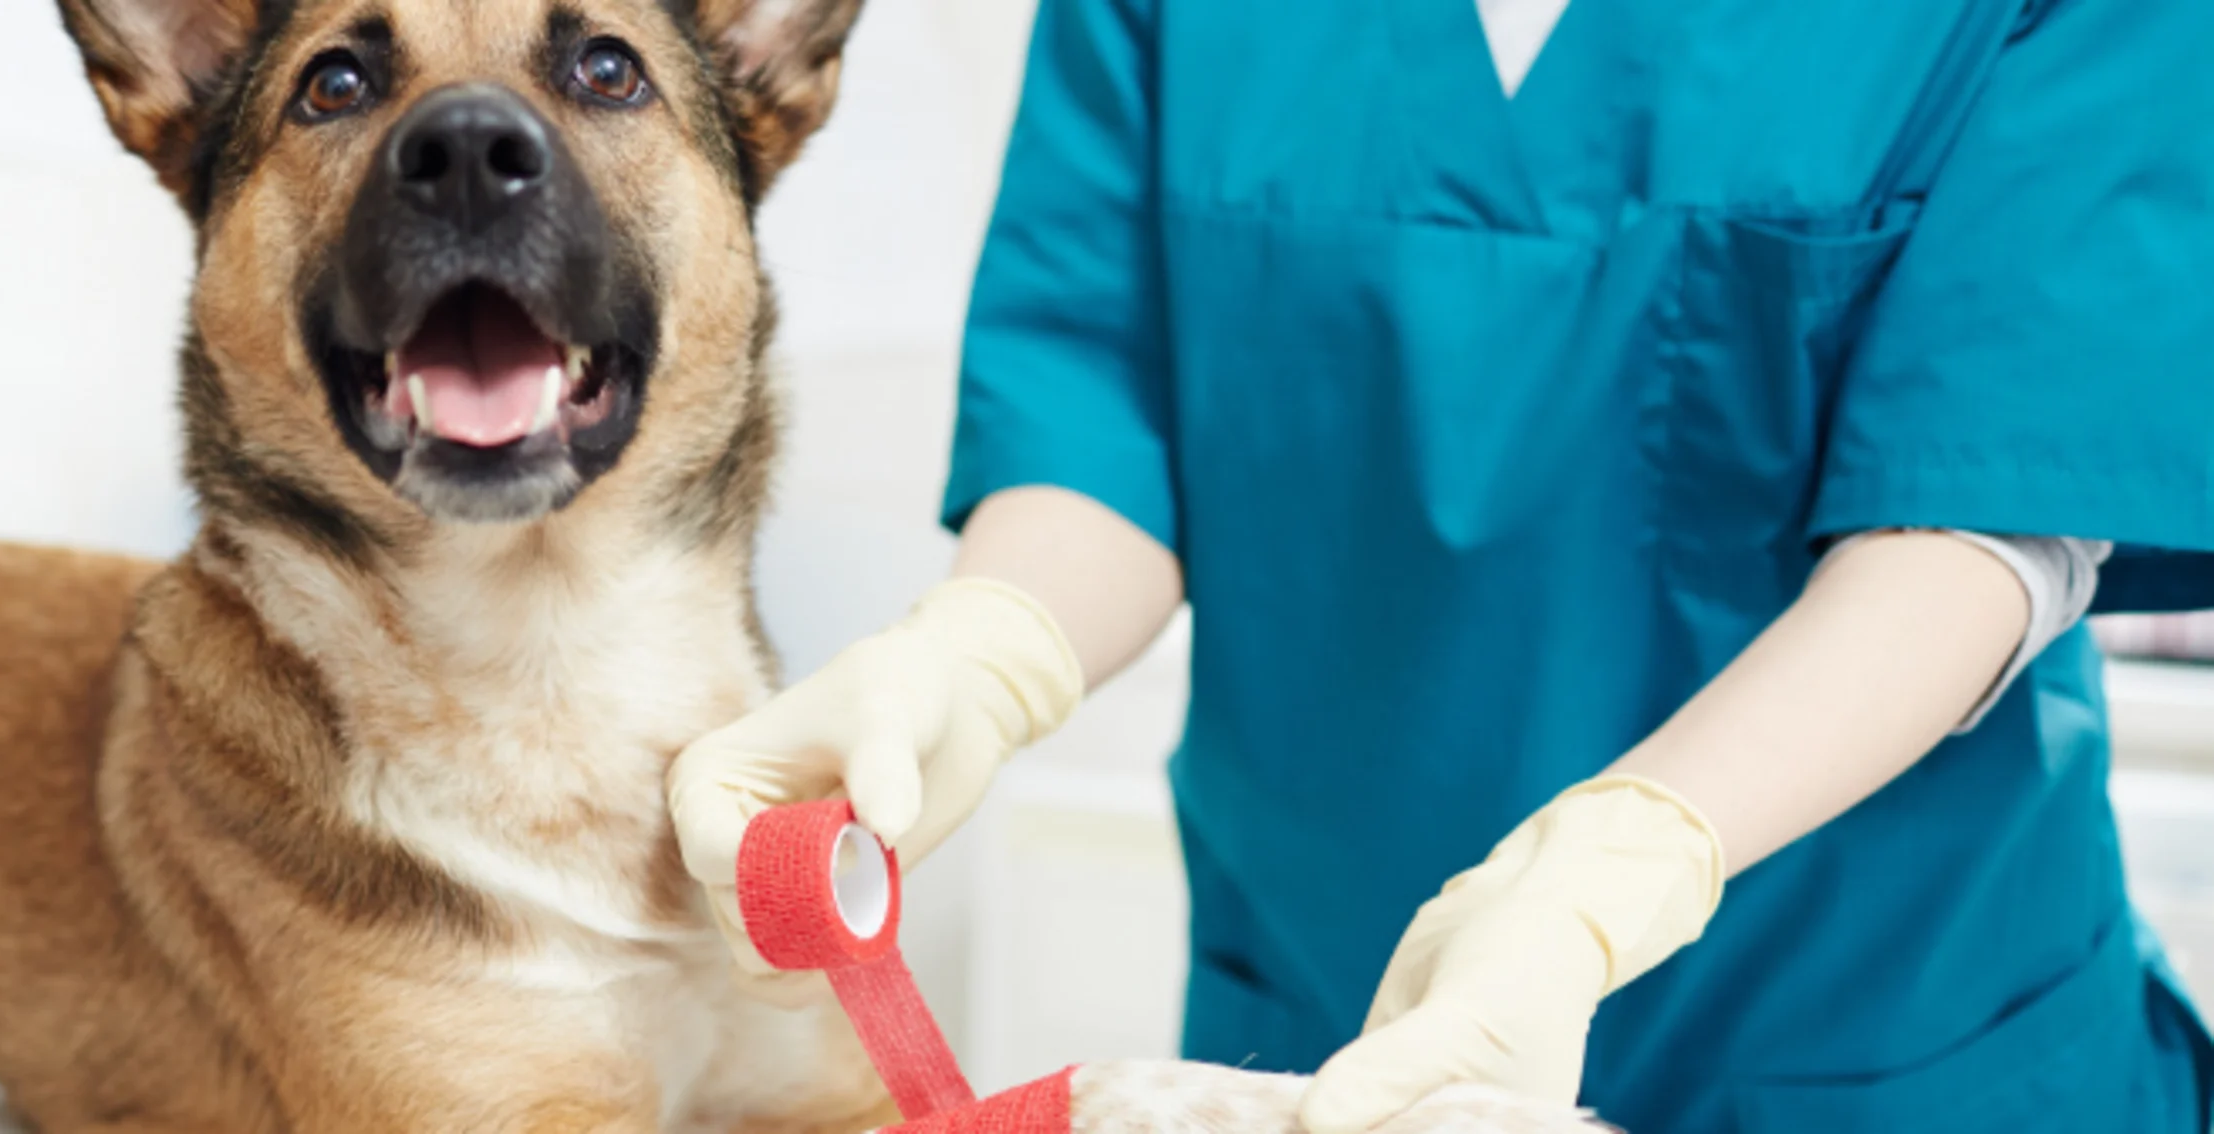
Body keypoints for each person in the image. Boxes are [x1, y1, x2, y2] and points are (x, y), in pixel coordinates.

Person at [666, 1, 2214, 1131]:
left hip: (1879, 1036)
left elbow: (1981, 508)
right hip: (1338, 1040)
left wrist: (1615, 866)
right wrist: (979, 654)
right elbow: (1106, 425)